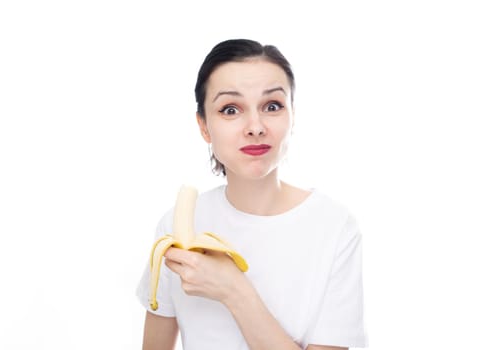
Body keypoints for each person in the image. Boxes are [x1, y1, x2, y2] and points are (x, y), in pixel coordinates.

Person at [136, 39, 367, 350]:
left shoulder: (334, 227)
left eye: (272, 106)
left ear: (292, 115)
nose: (255, 127)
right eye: (230, 109)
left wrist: (233, 290)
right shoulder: (177, 227)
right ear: (204, 126)